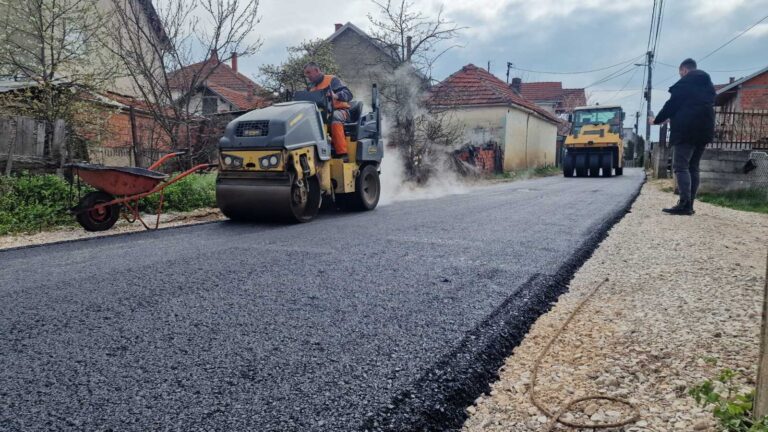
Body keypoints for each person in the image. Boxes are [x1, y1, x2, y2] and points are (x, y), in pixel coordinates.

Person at [650, 58, 715, 216]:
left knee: (681, 166)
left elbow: (671, 105)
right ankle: (690, 204)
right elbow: (692, 107)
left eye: (680, 73)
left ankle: (684, 204)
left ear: (684, 70)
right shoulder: (708, 86)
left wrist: (656, 120)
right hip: (705, 130)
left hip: (686, 131)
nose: (680, 76)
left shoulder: (685, 83)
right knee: (693, 167)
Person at [303, 62, 354, 158]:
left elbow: (349, 94)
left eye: (309, 72)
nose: (307, 76)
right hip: (320, 114)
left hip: (341, 111)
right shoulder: (310, 87)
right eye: (306, 73)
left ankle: (342, 153)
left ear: (317, 70)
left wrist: (336, 95)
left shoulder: (332, 80)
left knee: (333, 117)